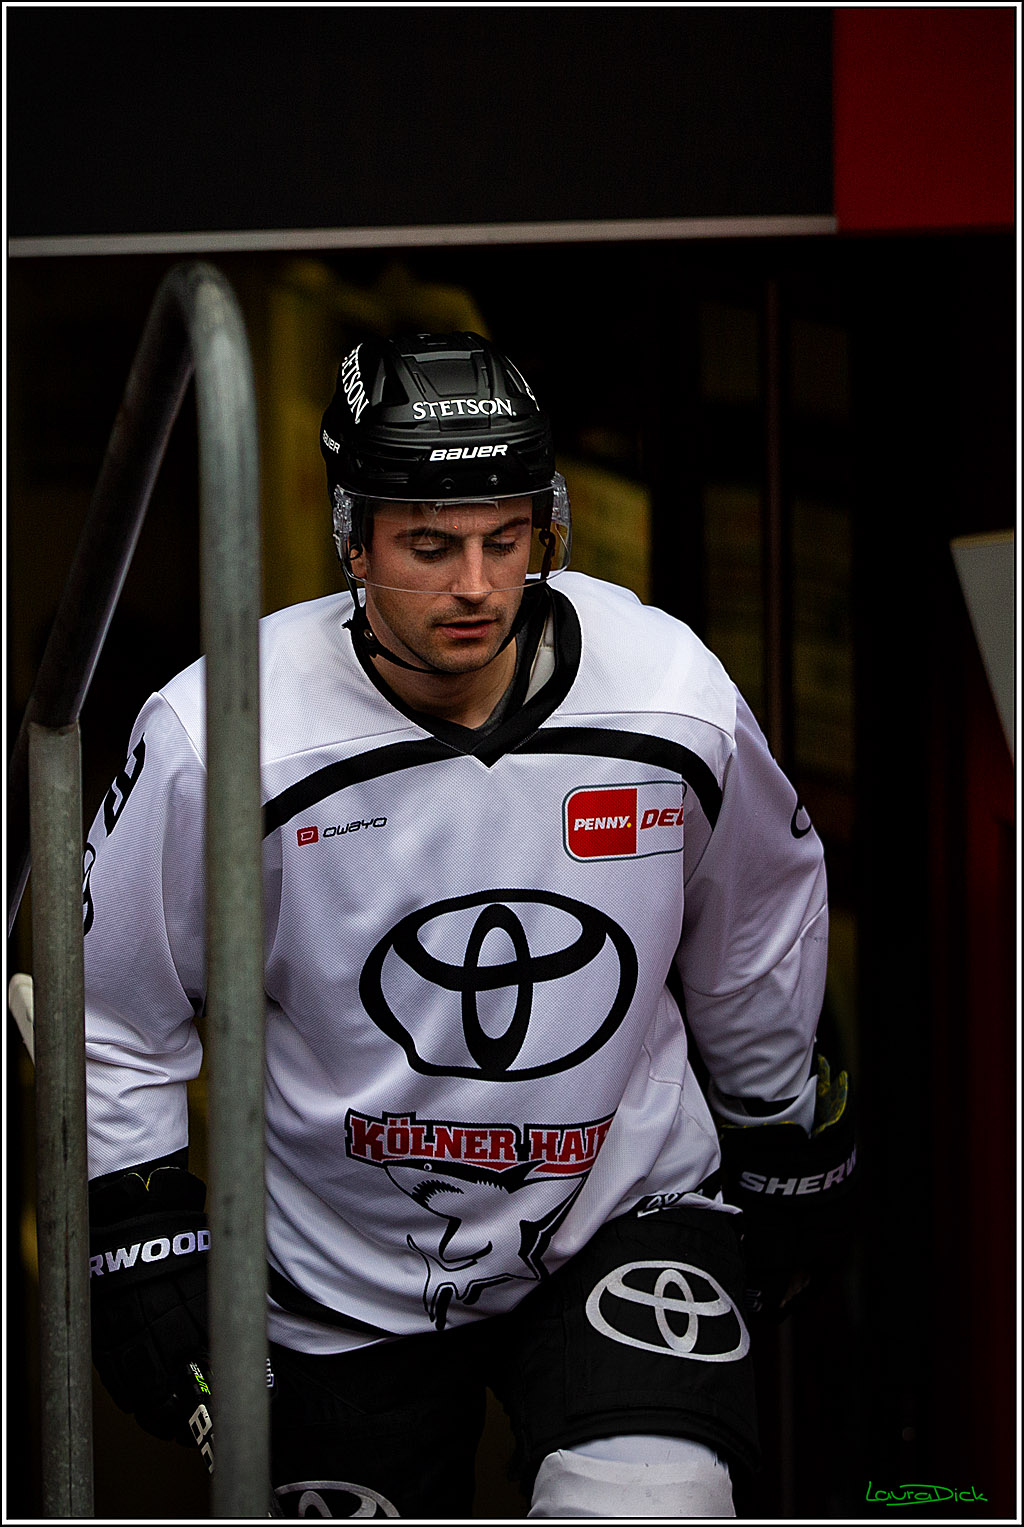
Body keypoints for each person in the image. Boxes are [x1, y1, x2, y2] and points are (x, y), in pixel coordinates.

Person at [83, 330, 858, 1518]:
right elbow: (115, 1008)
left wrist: (780, 1125)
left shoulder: (670, 694)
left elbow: (753, 927)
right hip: (336, 1267)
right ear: (352, 540)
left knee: (651, 1507)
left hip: (620, 1207)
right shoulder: (219, 730)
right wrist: (138, 1217)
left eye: (507, 539)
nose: (477, 587)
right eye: (430, 546)